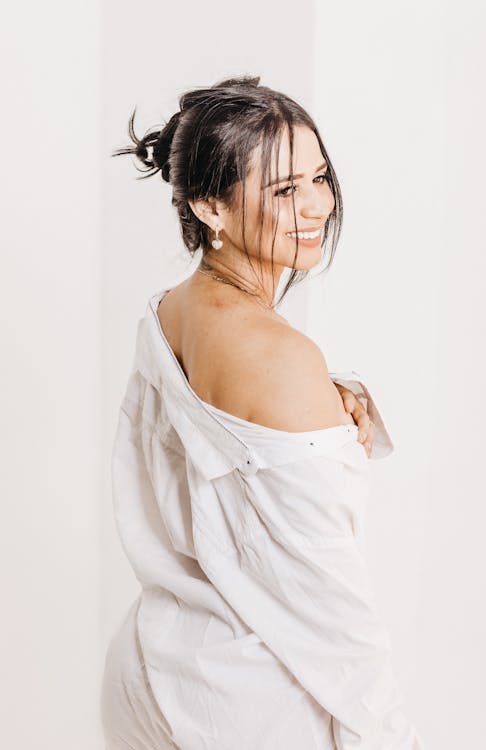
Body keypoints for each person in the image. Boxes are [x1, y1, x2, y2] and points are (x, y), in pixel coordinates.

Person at [100, 75, 424, 749]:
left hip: (153, 670)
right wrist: (393, 734)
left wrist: (324, 392)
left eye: (319, 177)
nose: (316, 206)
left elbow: (214, 432)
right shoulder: (277, 357)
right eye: (283, 190)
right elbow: (333, 609)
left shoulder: (173, 310)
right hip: (250, 704)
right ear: (209, 207)